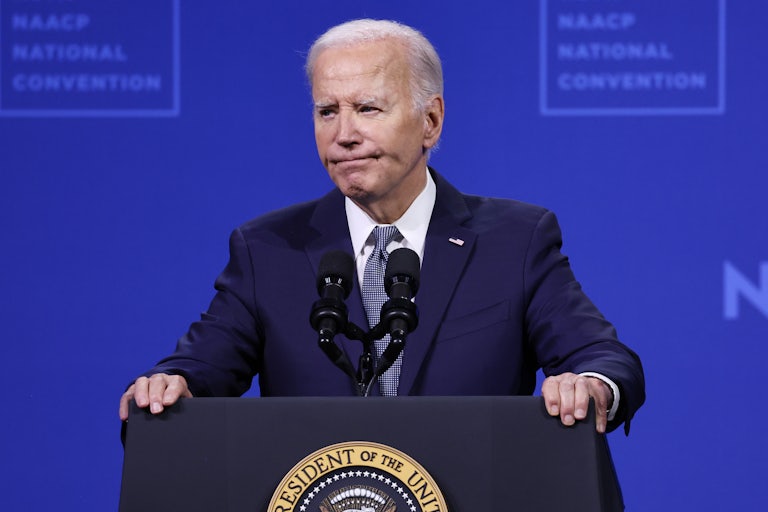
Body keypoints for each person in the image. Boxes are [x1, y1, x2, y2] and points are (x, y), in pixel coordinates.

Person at [119, 19, 644, 434]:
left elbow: (602, 358)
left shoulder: (515, 240)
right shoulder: (268, 249)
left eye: (368, 108)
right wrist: (170, 384)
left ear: (430, 121)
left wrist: (591, 385)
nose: (343, 134)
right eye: (327, 111)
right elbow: (199, 367)